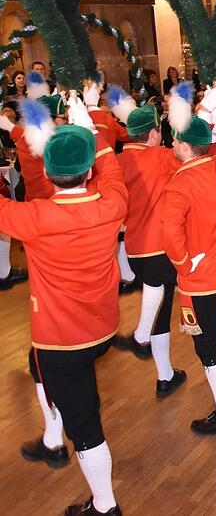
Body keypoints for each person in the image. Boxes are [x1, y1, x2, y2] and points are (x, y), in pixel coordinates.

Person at [4, 94, 125, 514]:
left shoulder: (35, 217)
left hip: (62, 339)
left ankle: (105, 505)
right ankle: (52, 437)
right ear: (87, 171)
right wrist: (93, 129)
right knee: (34, 360)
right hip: (102, 326)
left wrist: (16, 132)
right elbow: (113, 171)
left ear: (47, 172)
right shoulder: (112, 205)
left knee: (85, 424)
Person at [160, 85, 216, 434]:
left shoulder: (179, 184)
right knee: (211, 335)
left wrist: (184, 265)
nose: (172, 143)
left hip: (197, 275)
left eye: (175, 140)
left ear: (186, 146)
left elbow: (171, 234)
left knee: (208, 344)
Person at [107, 102, 189, 397]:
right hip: (160, 246)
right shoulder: (161, 156)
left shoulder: (117, 161)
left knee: (161, 311)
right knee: (170, 300)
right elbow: (192, 161)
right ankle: (141, 336)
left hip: (134, 249)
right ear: (153, 133)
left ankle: (165, 376)